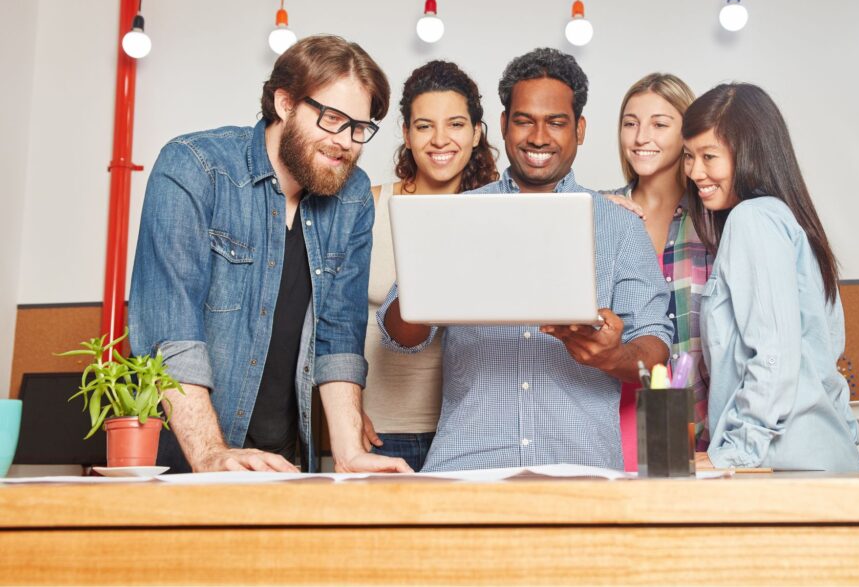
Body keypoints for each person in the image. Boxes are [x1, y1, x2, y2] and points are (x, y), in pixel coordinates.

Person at [378, 47, 673, 472]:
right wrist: (435, 284)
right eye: (524, 121)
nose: (539, 137)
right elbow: (399, 335)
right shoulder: (454, 216)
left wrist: (612, 357)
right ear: (502, 125)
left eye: (556, 122)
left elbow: (655, 346)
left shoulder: (619, 225)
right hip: (466, 468)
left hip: (582, 468)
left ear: (580, 129)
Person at [128, 35, 412, 475]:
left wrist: (350, 454)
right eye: (333, 119)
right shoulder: (193, 167)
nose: (346, 143)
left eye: (360, 128)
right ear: (284, 103)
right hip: (183, 455)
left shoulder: (353, 195)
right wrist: (210, 454)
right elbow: (171, 329)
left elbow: (339, 336)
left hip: (282, 459)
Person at [681, 83, 859, 472]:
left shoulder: (753, 220)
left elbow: (774, 360)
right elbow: (824, 364)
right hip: (823, 457)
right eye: (688, 156)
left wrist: (732, 454)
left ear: (749, 152)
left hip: (781, 467)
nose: (695, 172)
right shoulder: (789, 220)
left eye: (709, 156)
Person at [361, 60, 499, 471]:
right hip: (377, 433)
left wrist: (609, 203)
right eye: (424, 126)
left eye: (455, 124)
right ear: (405, 133)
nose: (440, 139)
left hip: (468, 434)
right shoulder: (368, 205)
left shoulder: (501, 213)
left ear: (476, 133)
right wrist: (342, 410)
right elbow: (323, 318)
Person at [604, 73, 712, 472]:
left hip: (703, 423)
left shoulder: (713, 225)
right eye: (630, 123)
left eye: (659, 124)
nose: (640, 137)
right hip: (617, 422)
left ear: (688, 133)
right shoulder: (600, 213)